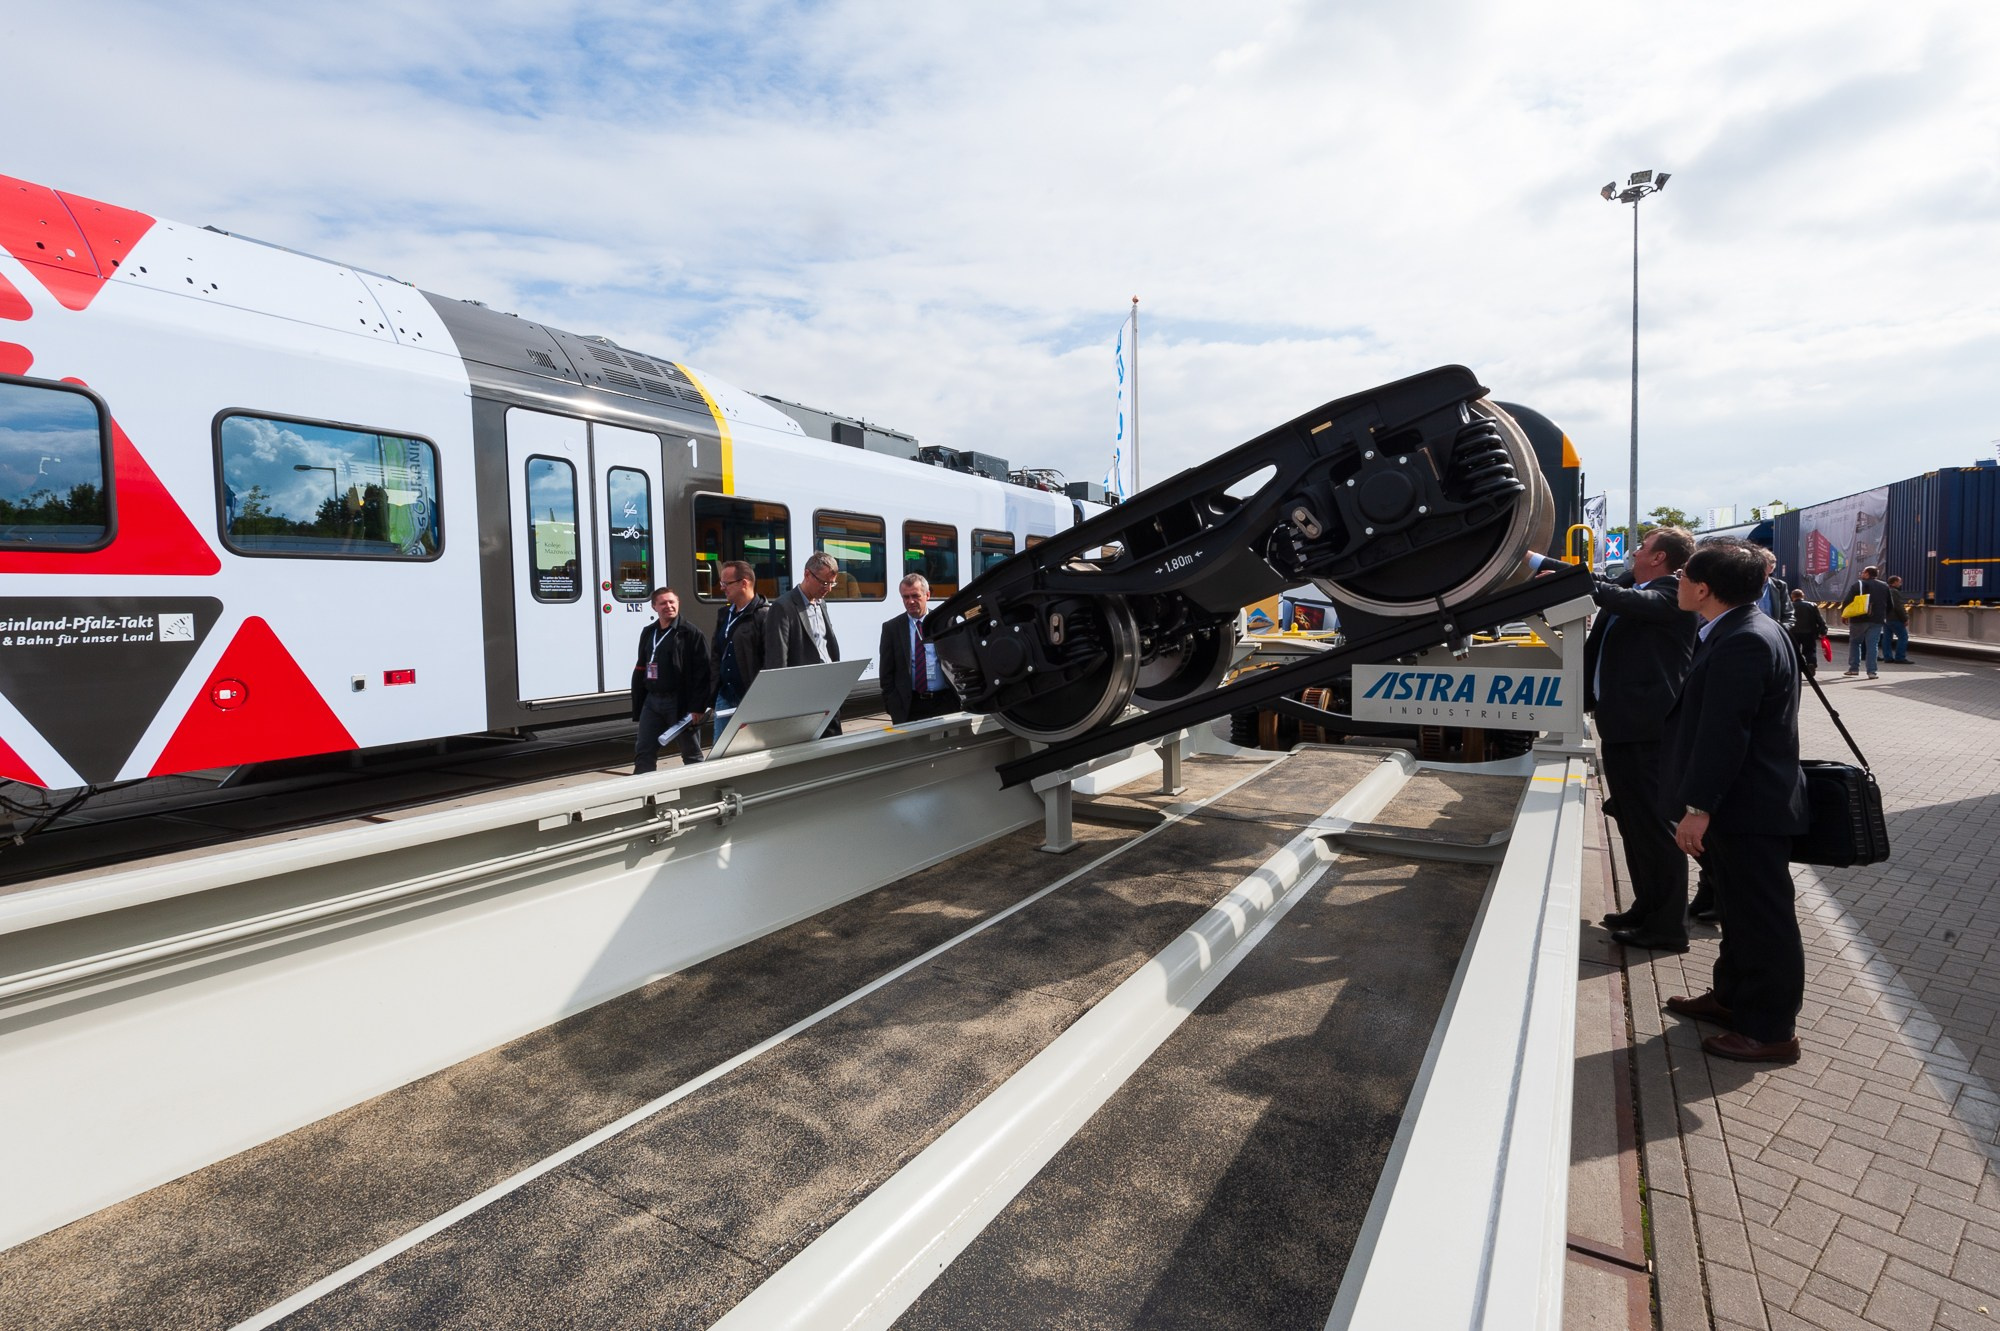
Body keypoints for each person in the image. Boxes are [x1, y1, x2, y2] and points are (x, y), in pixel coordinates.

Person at [1658, 539, 1810, 1064]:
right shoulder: (1746, 628)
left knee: (1764, 920)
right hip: (1745, 804)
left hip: (1745, 808)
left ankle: (1770, 1031)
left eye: (1681, 577)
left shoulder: (1743, 639)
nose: (1676, 585)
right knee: (1741, 915)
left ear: (1703, 589)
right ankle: (1730, 1000)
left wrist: (1698, 807)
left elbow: (1727, 733)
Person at [1577, 525, 1700, 952]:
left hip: (1648, 731)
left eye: (1642, 547)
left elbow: (1618, 597)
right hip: (1622, 726)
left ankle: (1667, 927)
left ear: (1661, 558)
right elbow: (1610, 590)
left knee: (1654, 828)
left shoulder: (1672, 594)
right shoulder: (1637, 585)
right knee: (1632, 824)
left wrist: (1542, 566)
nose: (1634, 553)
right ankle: (1645, 907)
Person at [631, 588, 712, 773]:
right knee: (644, 752)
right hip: (652, 701)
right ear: (654, 607)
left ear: (678, 604)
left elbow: (703, 673)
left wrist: (697, 707)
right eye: (663, 603)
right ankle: (646, 797)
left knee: (691, 755)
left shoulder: (691, 634)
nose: (668, 606)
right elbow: (642, 665)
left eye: (671, 602)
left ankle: (698, 794)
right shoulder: (648, 633)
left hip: (679, 703)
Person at [767, 550, 844, 735]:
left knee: (834, 746)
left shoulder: (821, 603)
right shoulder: (783, 607)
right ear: (807, 574)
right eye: (825, 582)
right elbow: (777, 660)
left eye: (832, 583)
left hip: (828, 690)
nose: (829, 588)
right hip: (803, 696)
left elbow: (826, 645)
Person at [879, 573, 958, 724]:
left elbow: (960, 661)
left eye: (915, 596)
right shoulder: (892, 628)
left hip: (946, 702)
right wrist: (893, 706)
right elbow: (886, 673)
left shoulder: (944, 622)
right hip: (911, 706)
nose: (910, 601)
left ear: (927, 595)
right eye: (905, 597)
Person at [709, 558, 771, 727]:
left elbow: (770, 659)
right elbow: (716, 654)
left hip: (751, 697)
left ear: (744, 583)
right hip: (725, 695)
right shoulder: (724, 614)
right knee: (721, 750)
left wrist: (761, 695)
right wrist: (713, 692)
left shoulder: (764, 615)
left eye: (726, 583)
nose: (721, 587)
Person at [1839, 564, 1892, 678]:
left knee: (1855, 642)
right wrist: (1883, 616)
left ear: (1867, 574)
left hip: (1859, 618)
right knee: (1873, 645)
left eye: (1863, 572)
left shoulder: (1858, 584)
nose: (1862, 574)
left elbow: (1847, 601)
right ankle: (1872, 672)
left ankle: (1854, 669)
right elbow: (1890, 604)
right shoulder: (1884, 586)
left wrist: (1844, 614)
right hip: (1877, 620)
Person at [1786, 588, 1828, 680]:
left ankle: (1797, 668)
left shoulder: (1789, 606)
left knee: (1794, 651)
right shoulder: (1811, 605)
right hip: (1809, 633)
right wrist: (1823, 630)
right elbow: (1819, 619)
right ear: (1803, 596)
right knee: (1810, 650)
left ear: (1792, 597)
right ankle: (1811, 664)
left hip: (1793, 633)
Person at [1881, 574, 1911, 663]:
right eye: (1899, 582)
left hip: (1886, 618)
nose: (1900, 584)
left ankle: (1887, 657)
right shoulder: (1894, 592)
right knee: (1903, 637)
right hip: (1895, 618)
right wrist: (1905, 618)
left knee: (1887, 638)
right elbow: (1898, 607)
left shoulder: (1885, 591)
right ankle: (1900, 657)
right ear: (1894, 583)